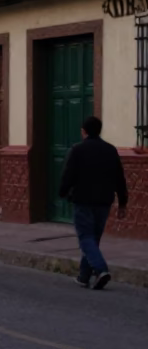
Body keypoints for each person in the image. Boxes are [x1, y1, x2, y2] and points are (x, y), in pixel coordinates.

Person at [59, 116, 128, 290]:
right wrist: (122, 203)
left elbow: (68, 175)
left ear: (84, 131)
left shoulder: (78, 150)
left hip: (83, 200)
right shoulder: (110, 150)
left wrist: (63, 192)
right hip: (104, 201)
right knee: (93, 238)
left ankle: (100, 269)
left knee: (85, 237)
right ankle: (83, 277)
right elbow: (119, 178)